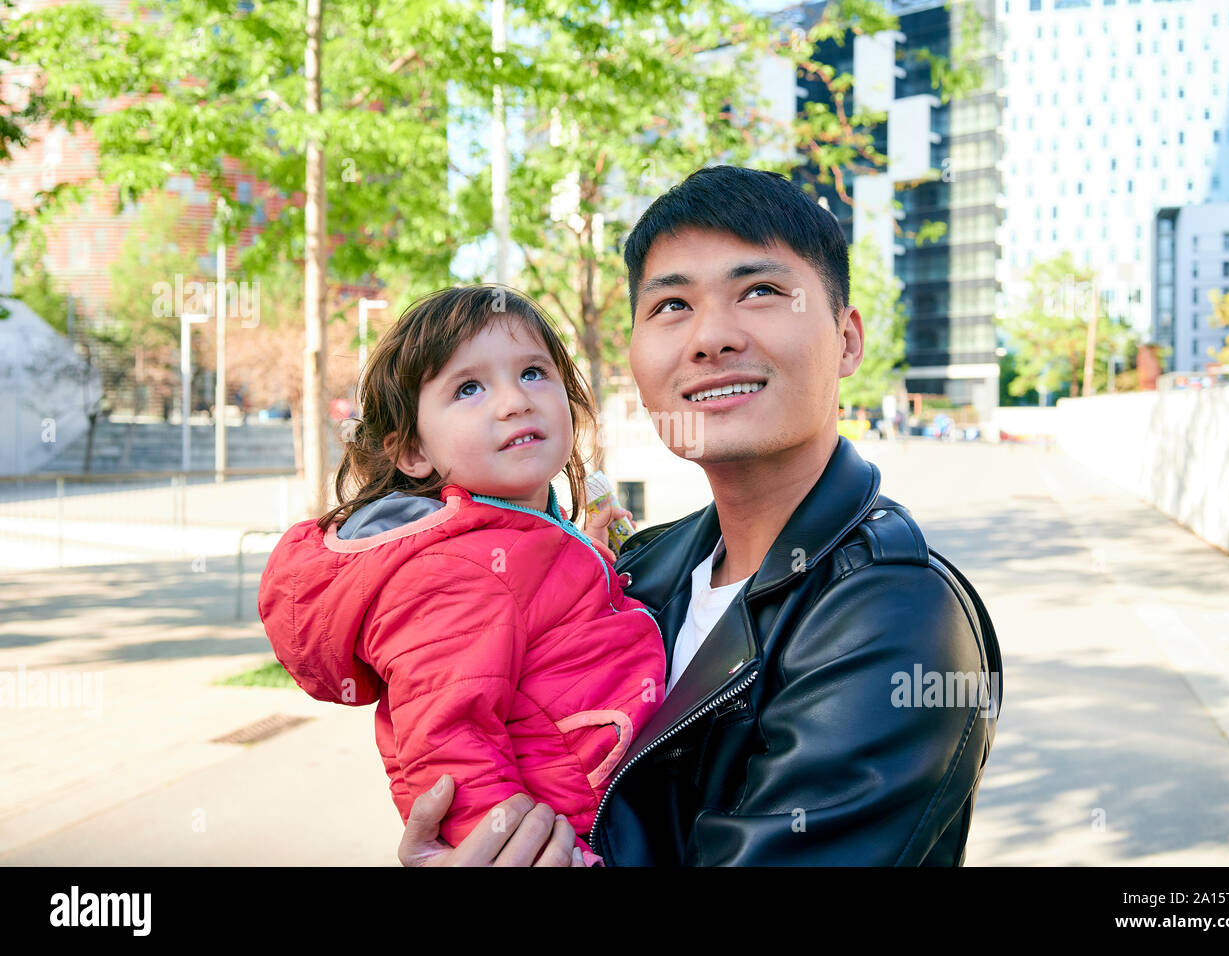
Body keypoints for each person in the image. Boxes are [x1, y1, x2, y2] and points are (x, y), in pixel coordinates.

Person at [399, 165, 1002, 866]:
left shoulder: (894, 613)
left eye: (761, 291)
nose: (711, 337)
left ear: (846, 339)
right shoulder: (638, 568)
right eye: (671, 307)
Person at [258, 286, 664, 867]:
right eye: (468, 388)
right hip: (568, 841)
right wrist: (522, 854)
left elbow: (536, 619)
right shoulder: (449, 572)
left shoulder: (518, 534)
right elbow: (449, 745)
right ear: (412, 453)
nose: (514, 401)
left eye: (533, 372)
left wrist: (589, 556)